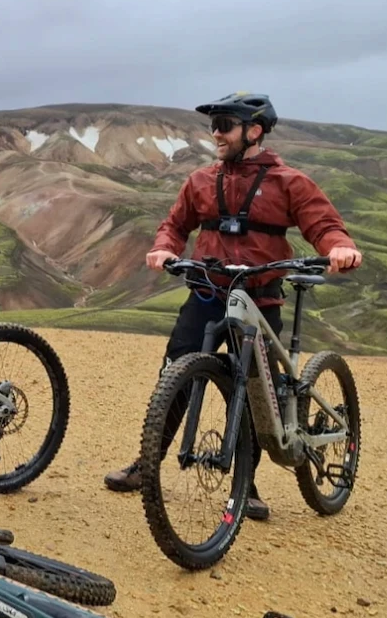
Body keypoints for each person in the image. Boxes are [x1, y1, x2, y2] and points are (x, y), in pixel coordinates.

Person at [102, 92, 362, 520]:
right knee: (176, 375)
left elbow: (323, 223)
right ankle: (147, 466)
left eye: (224, 125)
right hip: (207, 294)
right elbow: (175, 225)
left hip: (258, 300)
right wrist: (164, 248)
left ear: (254, 131)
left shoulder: (289, 182)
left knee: (256, 389)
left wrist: (339, 247)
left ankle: (247, 485)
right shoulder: (201, 181)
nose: (216, 134)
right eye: (214, 126)